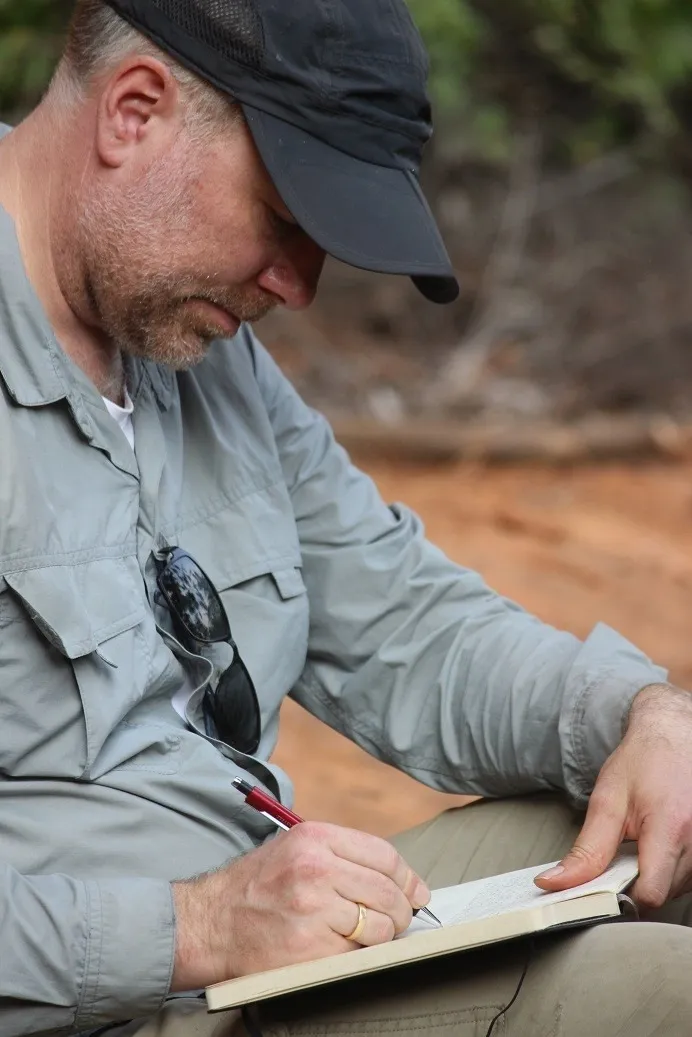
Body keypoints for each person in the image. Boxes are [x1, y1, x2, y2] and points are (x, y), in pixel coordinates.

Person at [2, 1, 692, 1035]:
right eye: (285, 219)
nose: (299, 284)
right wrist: (193, 926)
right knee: (658, 993)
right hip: (121, 995)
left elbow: (406, 624)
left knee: (664, 823)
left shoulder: (194, 346)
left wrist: (639, 714)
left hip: (274, 938)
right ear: (133, 113)